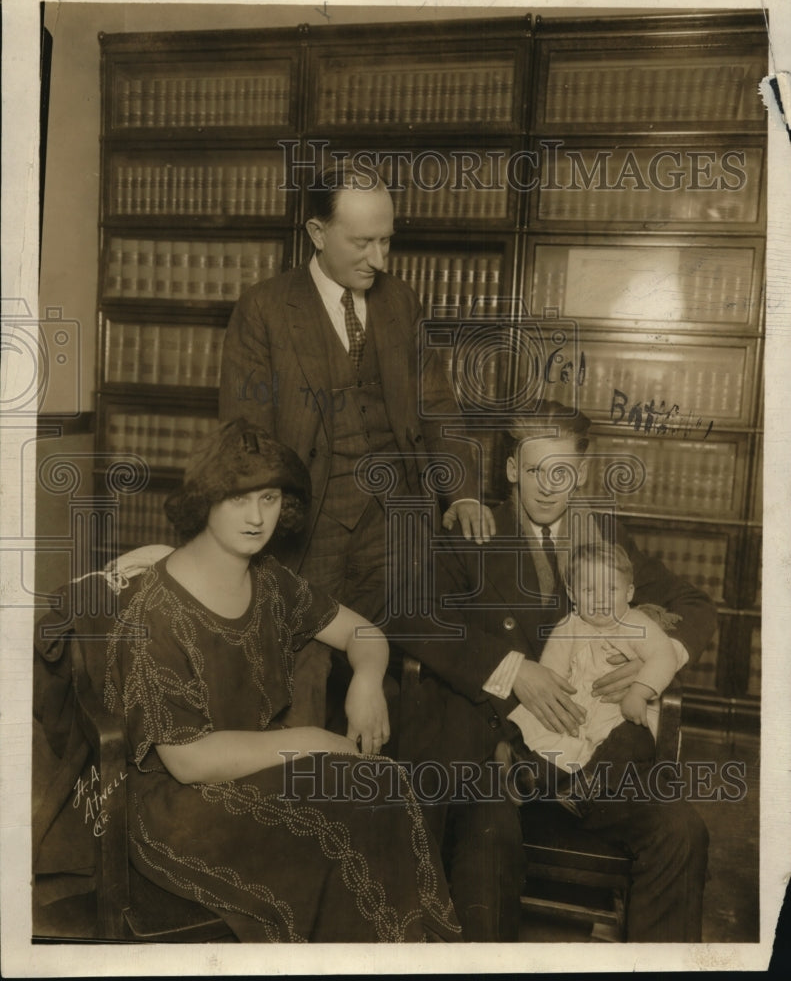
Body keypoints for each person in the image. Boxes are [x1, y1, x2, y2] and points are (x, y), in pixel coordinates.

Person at [99, 418, 461, 943]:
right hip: (178, 807)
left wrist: (366, 680)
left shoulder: (269, 580)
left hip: (260, 769)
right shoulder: (154, 611)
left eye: (269, 498)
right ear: (205, 500)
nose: (256, 517)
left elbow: (362, 631)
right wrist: (314, 741)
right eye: (239, 499)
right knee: (345, 830)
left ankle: (407, 954)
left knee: (381, 788)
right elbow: (188, 760)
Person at [394, 400, 716, 942]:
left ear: (582, 473)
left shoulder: (605, 536)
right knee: (488, 841)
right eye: (535, 470)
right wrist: (510, 668)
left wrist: (652, 664)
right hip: (501, 758)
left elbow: (695, 606)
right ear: (511, 469)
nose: (548, 487)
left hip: (599, 763)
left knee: (682, 832)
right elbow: (409, 613)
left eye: (562, 472)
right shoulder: (473, 532)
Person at [218, 160, 494, 728]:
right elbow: (247, 434)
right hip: (308, 521)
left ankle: (385, 777)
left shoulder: (400, 302)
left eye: (386, 241)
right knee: (303, 660)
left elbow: (437, 405)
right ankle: (305, 777)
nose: (379, 260)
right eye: (363, 242)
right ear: (318, 234)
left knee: (416, 651)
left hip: (396, 520)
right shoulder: (264, 308)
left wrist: (463, 492)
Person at [508, 541, 680, 816]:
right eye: (589, 591)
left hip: (622, 712)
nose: (600, 600)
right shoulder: (568, 627)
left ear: (629, 592)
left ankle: (589, 787)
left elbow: (664, 656)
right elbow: (551, 673)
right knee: (552, 737)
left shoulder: (637, 624)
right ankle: (531, 775)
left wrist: (639, 692)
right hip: (578, 710)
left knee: (628, 743)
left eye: (611, 590)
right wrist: (555, 704)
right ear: (572, 593)